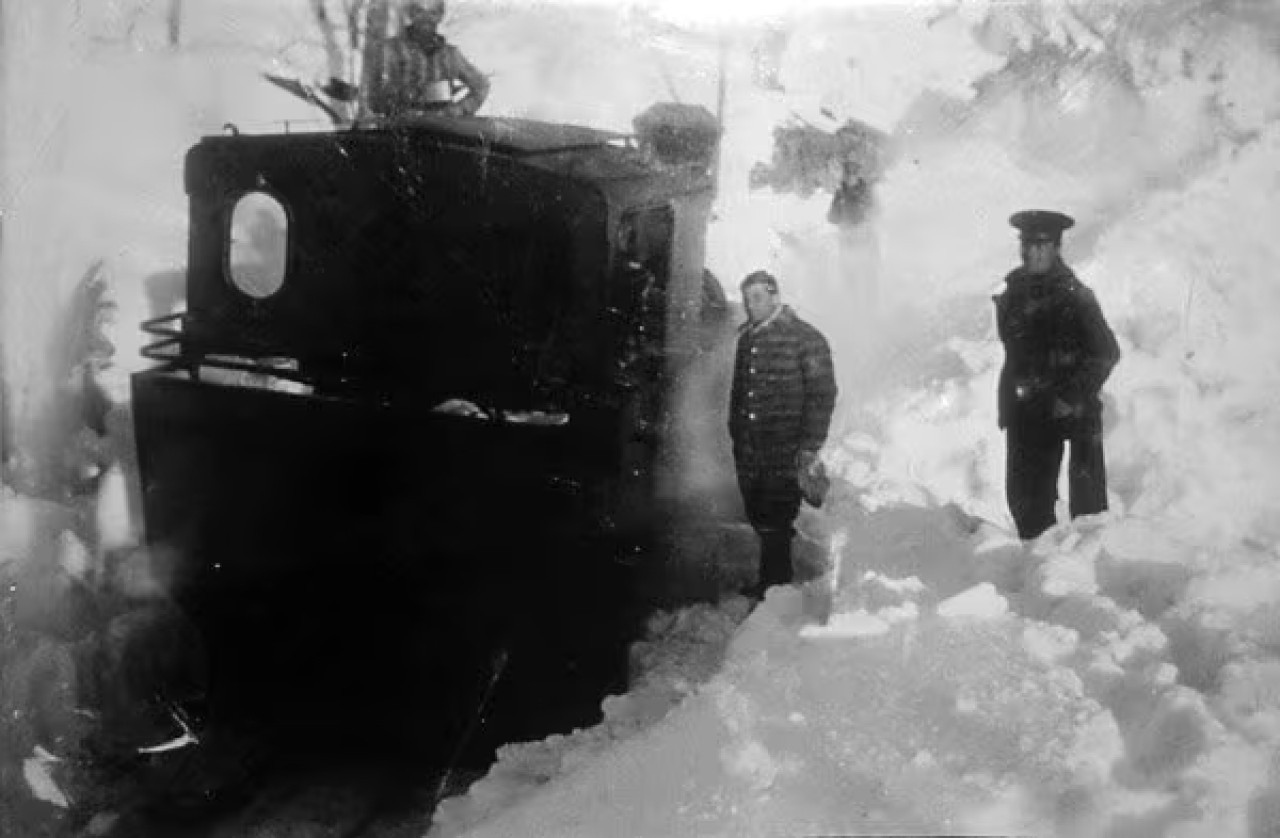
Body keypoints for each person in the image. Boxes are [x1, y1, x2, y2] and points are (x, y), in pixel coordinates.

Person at [994, 210, 1121, 540]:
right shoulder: (1012, 293)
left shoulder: (1075, 296)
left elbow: (1106, 353)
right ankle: (1040, 567)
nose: (1035, 252)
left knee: (1088, 509)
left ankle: (1087, 577)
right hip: (1028, 411)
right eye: (1029, 245)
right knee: (1025, 500)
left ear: (1056, 248)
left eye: (1043, 245)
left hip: (1071, 409)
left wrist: (1070, 395)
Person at [729, 271, 837, 598]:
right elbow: (738, 392)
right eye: (747, 299)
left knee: (777, 516)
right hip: (750, 447)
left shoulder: (805, 337)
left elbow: (823, 394)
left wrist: (808, 447)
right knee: (759, 513)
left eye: (758, 297)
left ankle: (775, 588)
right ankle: (771, 583)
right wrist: (735, 432)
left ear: (775, 297)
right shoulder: (747, 338)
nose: (751, 305)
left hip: (784, 446)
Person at [371, 0, 490, 119]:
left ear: (440, 16)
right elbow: (374, 98)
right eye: (420, 11)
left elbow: (481, 85)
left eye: (432, 13)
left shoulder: (450, 55)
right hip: (402, 128)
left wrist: (458, 110)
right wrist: (400, 99)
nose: (426, 18)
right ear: (410, 14)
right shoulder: (391, 50)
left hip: (442, 127)